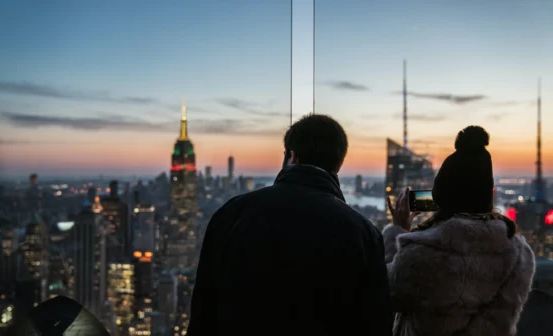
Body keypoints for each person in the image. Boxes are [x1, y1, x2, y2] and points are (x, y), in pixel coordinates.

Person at [188, 114, 392, 336]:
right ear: (338, 163)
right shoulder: (363, 233)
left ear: (291, 157)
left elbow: (203, 311)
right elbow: (375, 325)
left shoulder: (232, 214)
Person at [384, 126, 535, 336]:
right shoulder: (519, 253)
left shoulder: (423, 254)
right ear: (487, 193)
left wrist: (397, 232)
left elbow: (385, 292)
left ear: (442, 198)